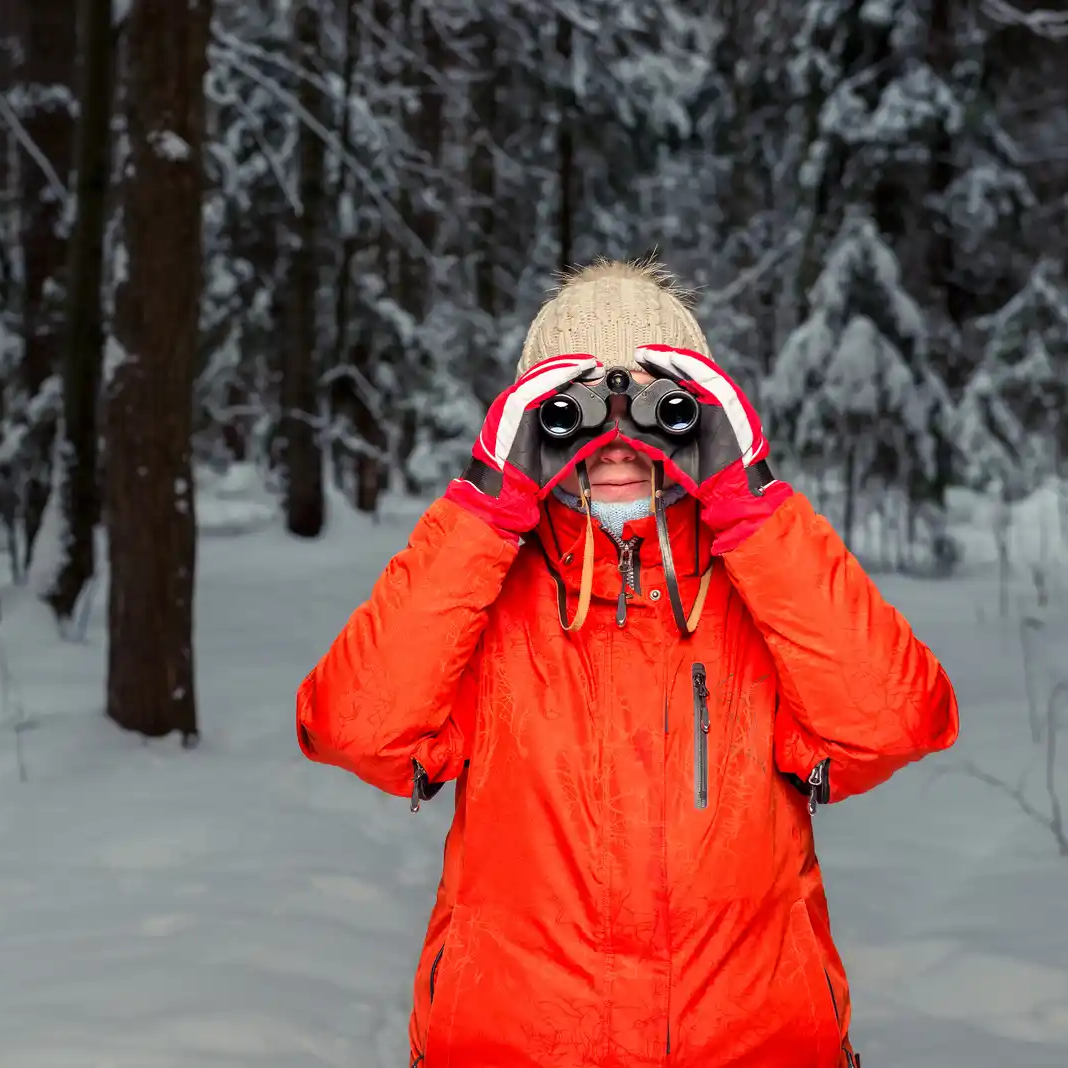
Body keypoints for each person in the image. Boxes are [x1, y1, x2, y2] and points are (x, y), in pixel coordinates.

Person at [295, 259, 959, 1068]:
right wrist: (483, 505)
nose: (617, 438)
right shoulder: (488, 599)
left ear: (702, 412)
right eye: (573, 414)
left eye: (655, 405)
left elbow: (893, 722)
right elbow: (354, 727)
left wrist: (750, 499)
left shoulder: (758, 590)